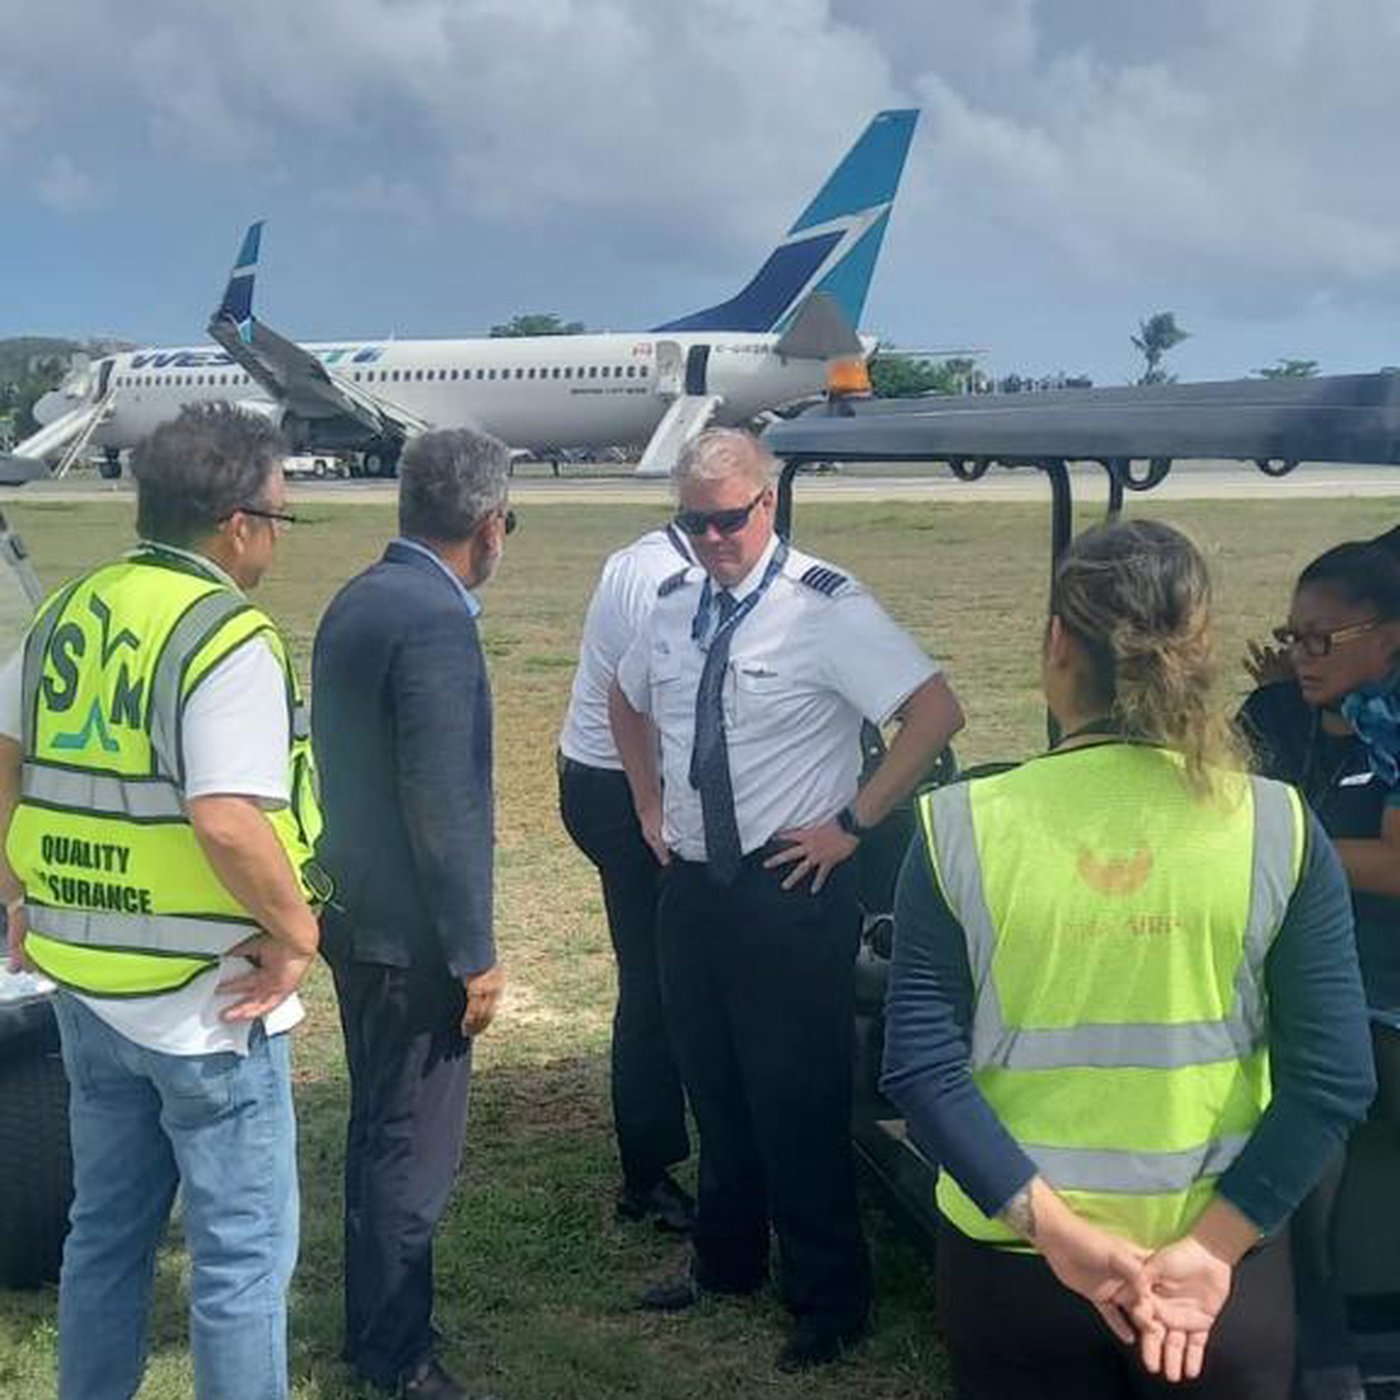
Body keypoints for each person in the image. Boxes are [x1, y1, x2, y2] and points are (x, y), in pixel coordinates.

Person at [882, 519, 1377, 1400]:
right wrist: (1212, 1248)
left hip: (1016, 1272)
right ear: (1200, 653)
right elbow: (1334, 1078)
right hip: (1219, 1283)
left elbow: (922, 1069)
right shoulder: (1279, 827)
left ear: (1056, 645)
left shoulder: (957, 826)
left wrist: (1059, 1234)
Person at [610, 427, 964, 1371]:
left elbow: (934, 713)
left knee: (797, 1099)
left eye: (729, 519)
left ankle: (828, 1298)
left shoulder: (825, 608)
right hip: (692, 886)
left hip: (789, 886)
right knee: (713, 1084)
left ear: (766, 503)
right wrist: (646, 803)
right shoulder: (672, 603)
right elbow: (625, 698)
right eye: (694, 523)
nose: (713, 539)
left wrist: (853, 823)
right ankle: (724, 1262)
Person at [0, 404, 323, 1400]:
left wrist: (20, 892)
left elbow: (6, 758)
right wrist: (297, 932)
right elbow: (226, 818)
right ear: (238, 524)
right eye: (280, 516)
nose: (277, 537)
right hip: (208, 999)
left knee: (103, 1233)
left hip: (88, 990)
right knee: (239, 1261)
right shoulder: (225, 635)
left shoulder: (67, 610)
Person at [312, 427, 511, 1400]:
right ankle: (397, 1353)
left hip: (356, 913)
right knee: (411, 1148)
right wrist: (474, 951)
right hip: (412, 938)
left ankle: (373, 1329)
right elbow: (444, 803)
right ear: (489, 525)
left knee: (377, 1130)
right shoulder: (435, 620)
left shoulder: (359, 596)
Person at [1239, 540, 1400, 1400]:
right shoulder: (1288, 716)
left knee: (1309, 1104)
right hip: (1320, 988)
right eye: (1291, 638)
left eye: (1321, 640)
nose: (1302, 656)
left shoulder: (1392, 725)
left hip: (1380, 998)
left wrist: (1281, 844)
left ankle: (1323, 1343)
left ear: (1390, 636)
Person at [558, 523, 696, 1231]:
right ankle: (647, 1174)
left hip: (604, 777)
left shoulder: (647, 556)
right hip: (623, 787)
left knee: (672, 970)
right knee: (653, 980)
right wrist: (653, 807)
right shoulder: (660, 582)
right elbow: (660, 705)